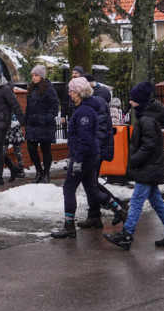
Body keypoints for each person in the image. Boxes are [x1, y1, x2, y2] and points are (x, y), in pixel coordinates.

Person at [104, 82, 164, 250]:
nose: (130, 103)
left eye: (132, 100)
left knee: (137, 201)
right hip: (150, 167)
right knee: (157, 202)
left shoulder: (146, 120)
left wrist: (134, 160)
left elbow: (149, 145)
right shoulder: (146, 116)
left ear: (139, 101)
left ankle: (127, 234)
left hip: (147, 167)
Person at [50, 77, 101, 239]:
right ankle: (119, 211)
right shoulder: (83, 108)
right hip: (88, 154)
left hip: (84, 156)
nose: (70, 94)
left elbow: (84, 138)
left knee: (68, 188)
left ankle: (69, 226)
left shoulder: (84, 111)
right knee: (92, 188)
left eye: (71, 91)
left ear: (79, 92)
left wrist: (78, 159)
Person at [80, 74, 128, 227]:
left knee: (91, 183)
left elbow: (100, 129)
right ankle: (95, 215)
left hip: (96, 149)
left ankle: (119, 207)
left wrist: (93, 148)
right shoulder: (94, 99)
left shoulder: (97, 101)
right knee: (90, 182)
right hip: (95, 147)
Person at [0, 64, 26, 186]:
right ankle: (13, 168)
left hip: (3, 122)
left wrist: (22, 121)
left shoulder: (6, 89)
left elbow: (15, 105)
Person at [24, 65, 58, 184]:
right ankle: (39, 171)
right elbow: (28, 106)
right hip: (33, 124)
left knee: (45, 149)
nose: (34, 78)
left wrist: (47, 118)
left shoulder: (49, 89)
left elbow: (54, 106)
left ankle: (46, 173)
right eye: (33, 75)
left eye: (36, 75)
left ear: (41, 76)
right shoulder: (32, 89)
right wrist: (26, 120)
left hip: (45, 124)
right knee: (31, 148)